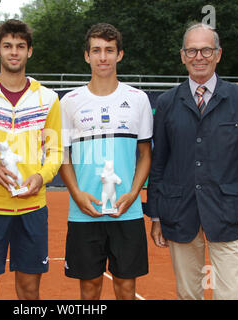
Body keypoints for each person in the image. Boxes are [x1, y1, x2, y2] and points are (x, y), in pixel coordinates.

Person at [146, 22, 238, 300]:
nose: (199, 57)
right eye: (192, 50)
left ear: (218, 54)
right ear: (182, 56)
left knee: (230, 295)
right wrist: (156, 215)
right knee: (188, 294)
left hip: (228, 213)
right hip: (179, 212)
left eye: (206, 50)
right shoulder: (168, 102)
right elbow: (159, 163)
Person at [0, 19, 63, 300]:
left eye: (20, 46)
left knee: (30, 290)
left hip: (33, 207)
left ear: (29, 51)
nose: (14, 52)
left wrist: (41, 177)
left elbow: (55, 152)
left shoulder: (48, 98)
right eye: (7, 46)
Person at [59, 23, 153, 300]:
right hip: (84, 211)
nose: (103, 57)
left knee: (126, 287)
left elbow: (145, 154)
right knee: (89, 288)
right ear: (87, 56)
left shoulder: (138, 99)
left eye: (109, 50)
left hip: (128, 211)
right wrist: (76, 195)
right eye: (97, 50)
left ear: (119, 54)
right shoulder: (69, 102)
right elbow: (62, 156)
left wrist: (134, 193)